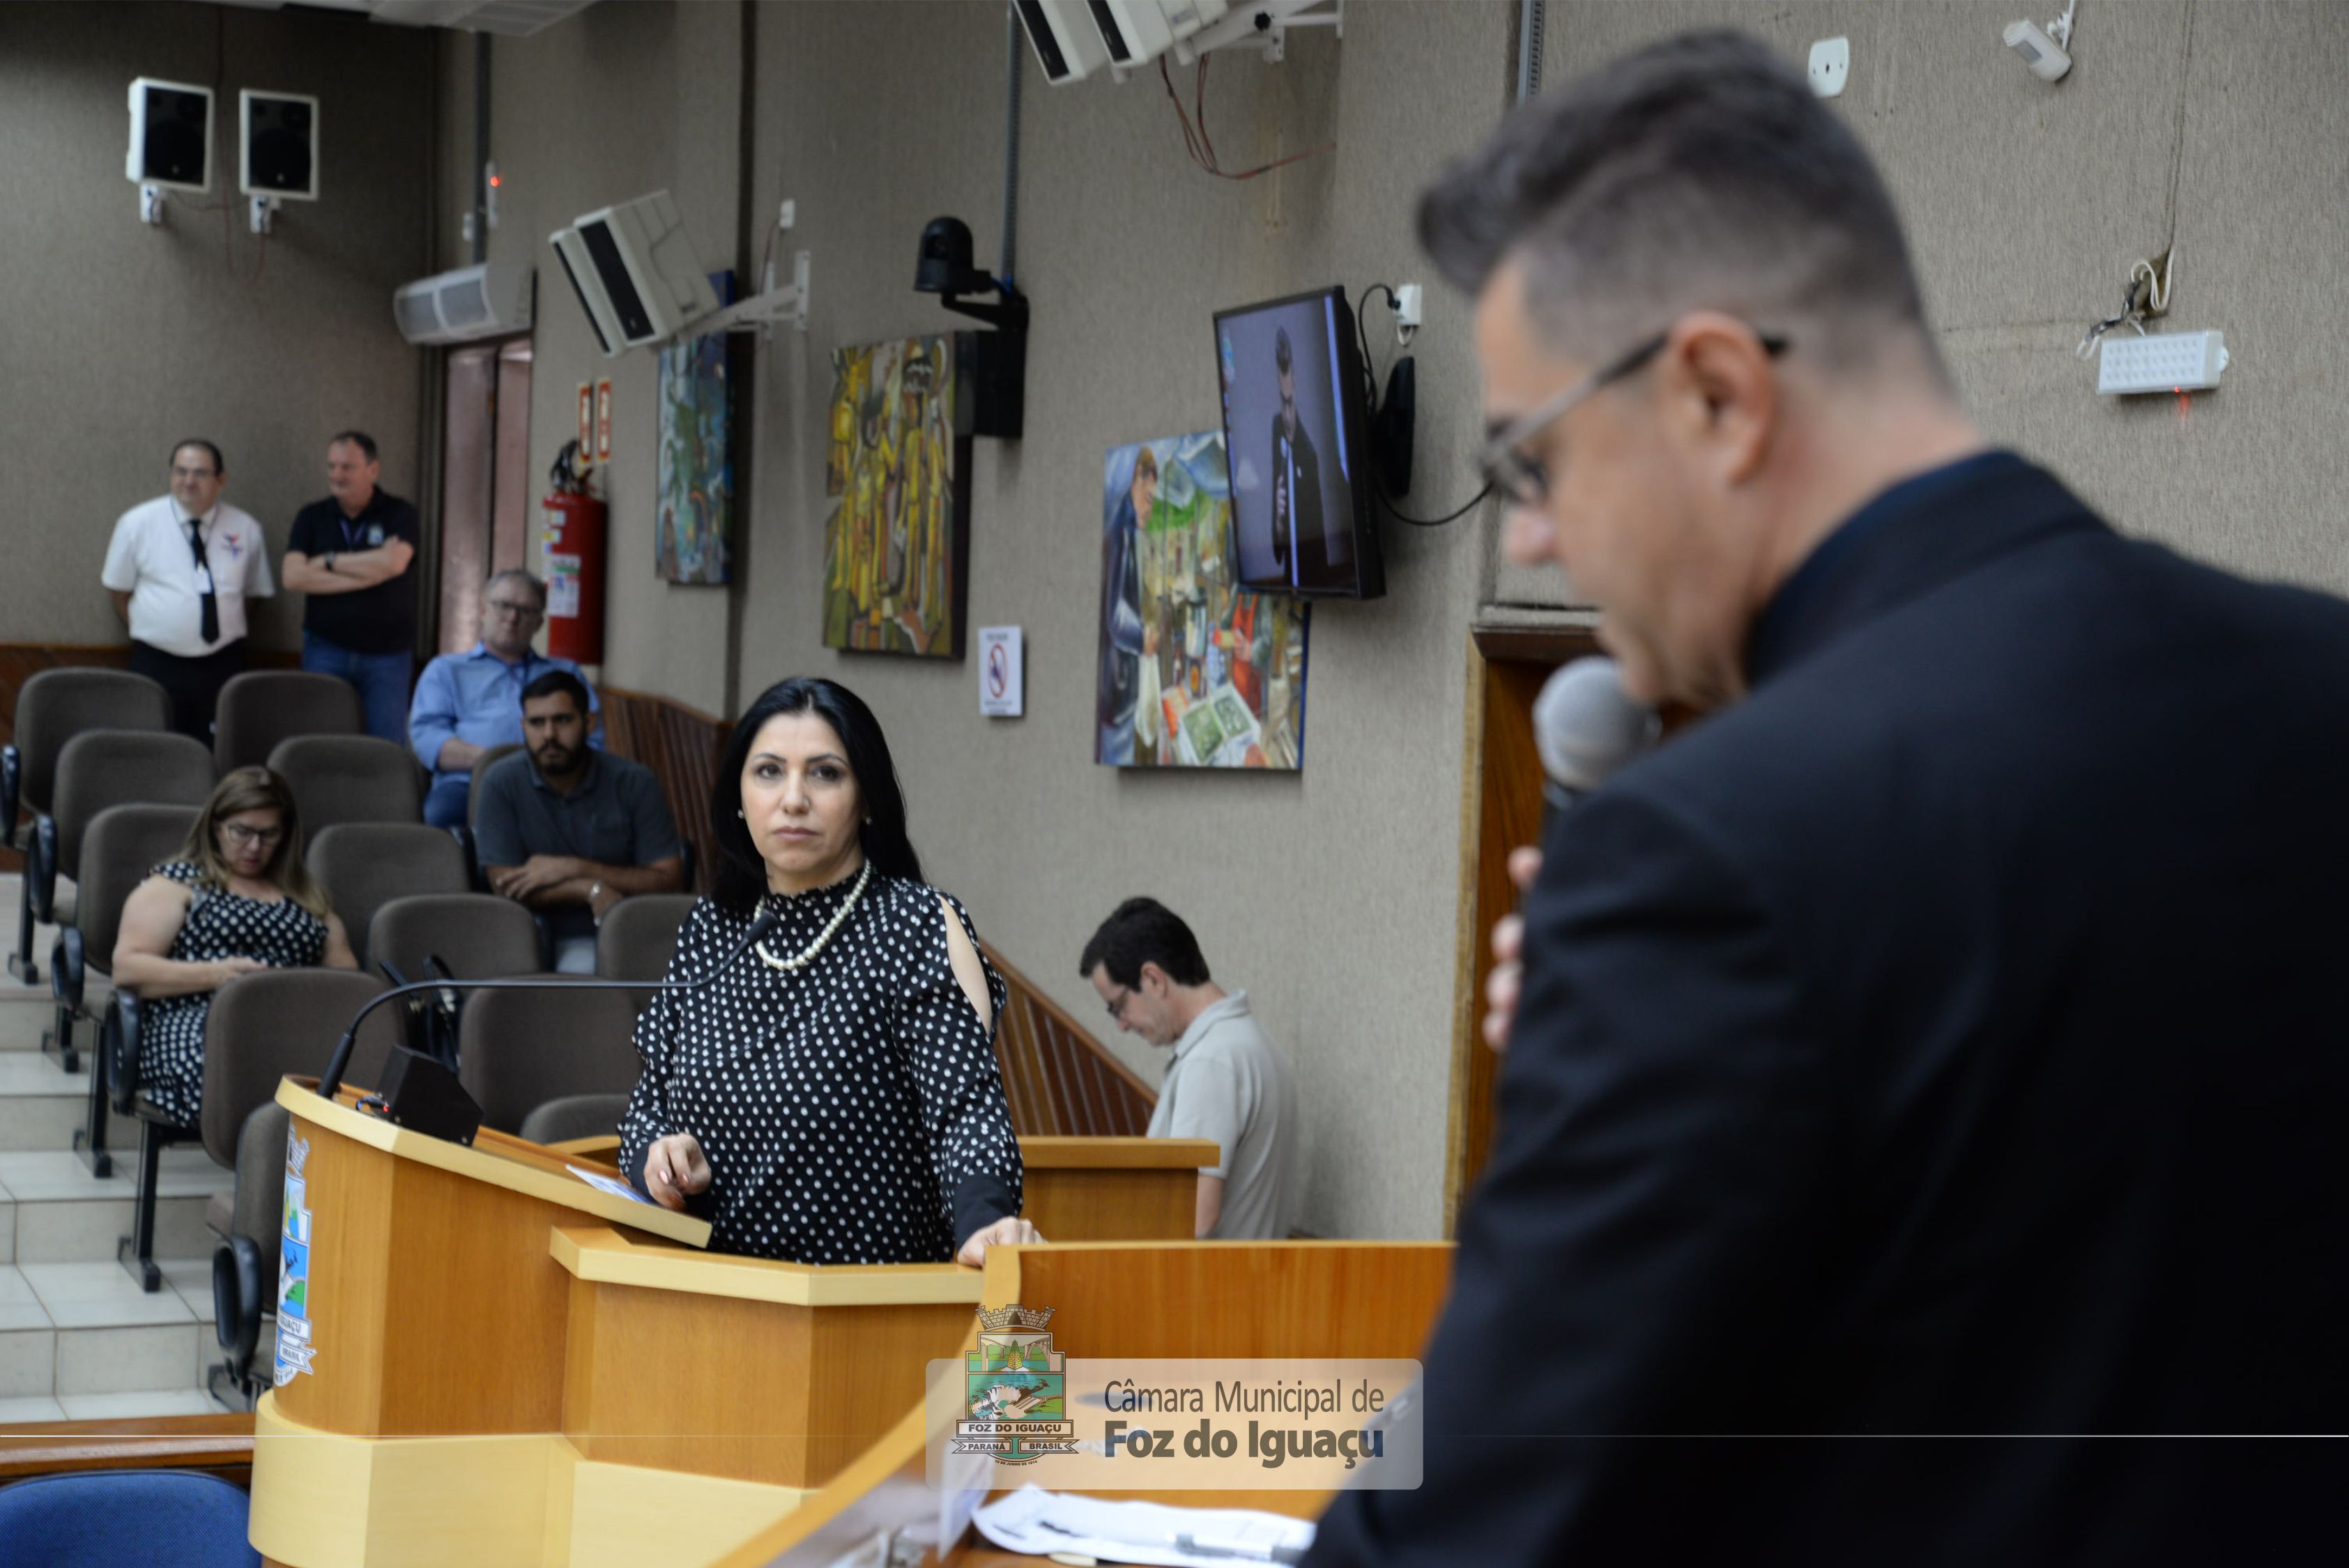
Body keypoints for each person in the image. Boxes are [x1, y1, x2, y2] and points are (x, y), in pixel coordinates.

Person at [1304, 31, 2347, 1568]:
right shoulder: (2319, 679)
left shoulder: (1704, 860)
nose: (1526, 542)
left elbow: (1475, 1531)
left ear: (1717, 394)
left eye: (1532, 464)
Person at [620, 676, 1042, 1267]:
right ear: (739, 796)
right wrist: (660, 1158)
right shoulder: (713, 928)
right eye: (769, 772)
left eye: (825, 774)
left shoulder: (913, 925)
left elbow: (965, 1109)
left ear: (865, 798)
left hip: (862, 1300)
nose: (794, 799)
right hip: (710, 1294)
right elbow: (647, 1106)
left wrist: (985, 1219)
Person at [112, 767, 357, 1124]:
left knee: (349, 1073)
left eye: (268, 834)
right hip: (196, 1021)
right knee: (231, 1073)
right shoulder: (177, 885)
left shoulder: (307, 898)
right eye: (241, 832)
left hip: (289, 1023)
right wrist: (220, 975)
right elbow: (128, 969)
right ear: (216, 827)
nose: (255, 846)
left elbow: (347, 977)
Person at [1080, 898, 1297, 1240]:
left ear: (1153, 979)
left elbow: (1191, 1214)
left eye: (1118, 1006)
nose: (1122, 1025)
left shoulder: (1211, 1061)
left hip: (1211, 1274)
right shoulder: (1254, 1041)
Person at [473, 670, 685, 973]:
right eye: (537, 723)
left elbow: (669, 880)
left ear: (589, 722)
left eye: (562, 720)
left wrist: (574, 867)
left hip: (629, 932)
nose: (549, 735)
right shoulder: (500, 781)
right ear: (523, 726)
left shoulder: (636, 782)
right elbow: (504, 884)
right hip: (530, 937)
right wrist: (588, 888)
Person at [101, 440, 275, 741]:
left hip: (222, 663)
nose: (189, 481)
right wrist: (159, 628)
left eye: (200, 473)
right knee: (154, 746)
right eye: (180, 472)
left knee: (217, 747)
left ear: (221, 479)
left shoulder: (246, 528)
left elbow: (252, 596)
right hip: (157, 662)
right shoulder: (136, 524)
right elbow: (119, 591)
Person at [408, 569, 600, 827]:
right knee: (440, 816)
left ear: (539, 623)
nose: (512, 618)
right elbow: (427, 738)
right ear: (483, 610)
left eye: (525, 610)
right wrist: (495, 764)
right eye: (504, 606)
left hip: (555, 784)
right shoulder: (446, 670)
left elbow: (593, 740)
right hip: (468, 784)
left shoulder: (566, 674)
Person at [281, 431, 420, 744]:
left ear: (373, 470)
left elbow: (395, 564)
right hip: (325, 648)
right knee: (320, 742)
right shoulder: (312, 516)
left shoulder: (399, 513)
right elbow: (293, 577)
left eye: (347, 467)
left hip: (387, 655)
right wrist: (372, 569)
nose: (337, 475)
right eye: (332, 466)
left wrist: (326, 561)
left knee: (386, 746)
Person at [1267, 325, 1322, 586]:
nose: (1287, 417)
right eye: (1282, 403)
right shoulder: (1277, 429)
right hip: (1290, 580)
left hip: (1311, 576)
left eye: (1291, 403)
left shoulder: (1309, 456)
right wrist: (1278, 522)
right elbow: (1278, 552)